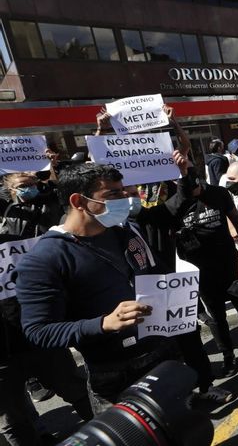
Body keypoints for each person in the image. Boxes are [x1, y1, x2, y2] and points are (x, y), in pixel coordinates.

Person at [14, 163, 177, 413]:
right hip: (112, 374)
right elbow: (39, 331)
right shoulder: (45, 259)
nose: (125, 199)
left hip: (161, 353)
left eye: (123, 191)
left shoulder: (125, 232)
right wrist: (104, 323)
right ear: (79, 201)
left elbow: (154, 273)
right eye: (113, 194)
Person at [173, 174, 238, 377]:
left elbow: (234, 219)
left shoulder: (218, 193)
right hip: (199, 268)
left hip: (228, 262)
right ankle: (229, 356)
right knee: (216, 316)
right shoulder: (175, 203)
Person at [0, 233, 94, 446]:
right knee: (13, 421)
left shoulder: (16, 243)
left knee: (78, 392)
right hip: (3, 360)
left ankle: (112, 433)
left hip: (39, 339)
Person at [0, 172, 63, 238]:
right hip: (20, 246)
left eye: (31, 185)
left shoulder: (50, 199)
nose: (28, 188)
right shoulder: (8, 207)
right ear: (12, 189)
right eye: (22, 186)